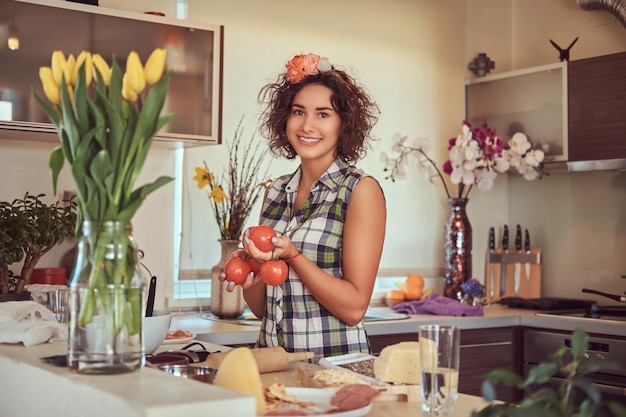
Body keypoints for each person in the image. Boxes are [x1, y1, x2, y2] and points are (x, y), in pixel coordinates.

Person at [220, 53, 386, 361]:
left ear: (343, 124)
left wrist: (293, 256)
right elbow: (263, 308)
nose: (307, 125)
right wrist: (248, 276)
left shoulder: (360, 191)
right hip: (275, 366)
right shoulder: (275, 192)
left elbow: (354, 308)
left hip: (337, 369)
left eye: (323, 114)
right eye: (299, 112)